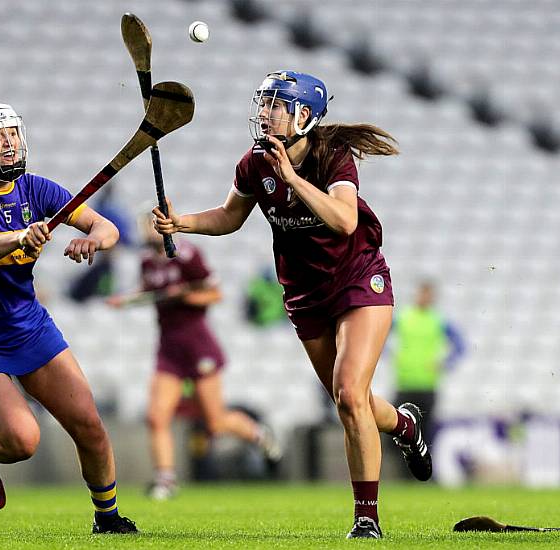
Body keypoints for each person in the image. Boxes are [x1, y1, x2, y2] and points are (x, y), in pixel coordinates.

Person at [152, 70, 431, 539]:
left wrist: (291, 179)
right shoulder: (253, 163)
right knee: (351, 402)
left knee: (347, 392)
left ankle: (367, 519)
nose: (264, 112)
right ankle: (404, 425)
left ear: (304, 115)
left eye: (275, 104)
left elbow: (344, 221)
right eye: (262, 102)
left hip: (358, 279)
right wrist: (182, 222)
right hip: (305, 293)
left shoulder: (333, 157)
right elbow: (228, 217)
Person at [0, 103, 137, 534]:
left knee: (90, 426)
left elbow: (106, 228)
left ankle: (108, 519)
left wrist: (93, 243)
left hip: (27, 325)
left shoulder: (38, 190)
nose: (8, 143)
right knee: (22, 441)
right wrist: (19, 236)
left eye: (12, 134)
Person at [107, 214, 282, 500]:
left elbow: (214, 294)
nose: (145, 231)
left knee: (215, 422)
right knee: (156, 416)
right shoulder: (147, 262)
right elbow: (149, 292)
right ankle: (166, 479)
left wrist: (184, 296)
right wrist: (126, 300)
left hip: (198, 345)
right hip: (169, 347)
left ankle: (259, 435)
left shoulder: (187, 255)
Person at [391, 280, 465, 444]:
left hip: (427, 385)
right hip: (405, 384)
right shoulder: (403, 317)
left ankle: (421, 469)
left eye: (428, 294)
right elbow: (378, 334)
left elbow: (461, 345)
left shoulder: (438, 320)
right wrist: (388, 353)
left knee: (423, 435)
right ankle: (400, 469)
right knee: (397, 433)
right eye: (422, 293)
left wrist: (446, 363)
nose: (424, 297)